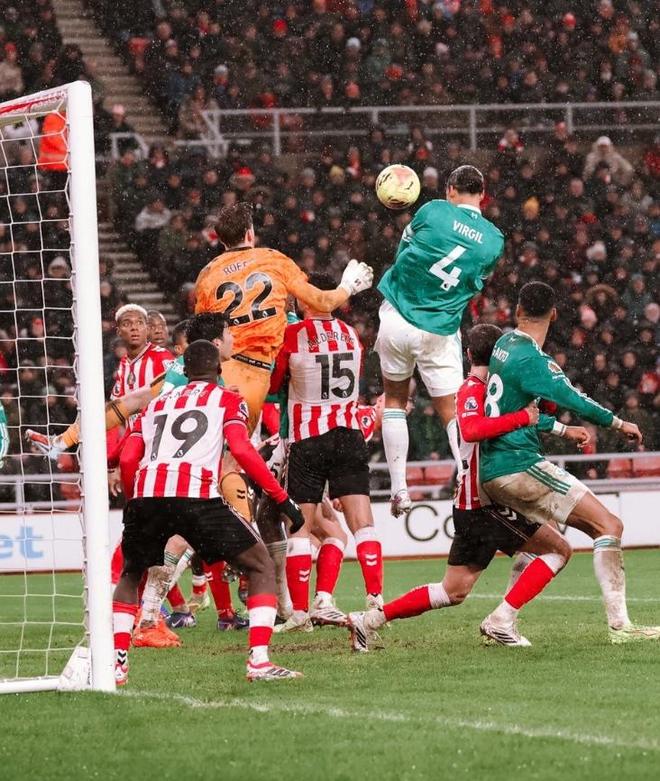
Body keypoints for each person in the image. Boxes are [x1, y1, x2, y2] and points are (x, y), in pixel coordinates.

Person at [347, 323, 581, 651]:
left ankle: (368, 620)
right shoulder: (472, 390)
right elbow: (472, 430)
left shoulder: (493, 390)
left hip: (474, 503)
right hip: (484, 503)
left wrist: (561, 429)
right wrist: (524, 419)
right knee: (558, 550)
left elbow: (529, 415)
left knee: (452, 591)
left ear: (468, 354)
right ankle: (503, 620)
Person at [112, 339, 305, 685]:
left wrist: (133, 502)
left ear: (184, 371)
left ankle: (117, 664)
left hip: (149, 493)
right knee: (260, 565)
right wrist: (281, 498)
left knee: (131, 574)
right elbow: (241, 449)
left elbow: (128, 458)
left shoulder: (156, 404)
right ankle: (259, 661)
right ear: (219, 369)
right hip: (196, 495)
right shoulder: (228, 399)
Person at [480, 282, 659, 643]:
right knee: (609, 525)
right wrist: (618, 423)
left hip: (491, 467)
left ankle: (501, 620)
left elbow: (519, 411)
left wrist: (561, 430)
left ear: (518, 310)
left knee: (544, 545)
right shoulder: (534, 360)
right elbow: (575, 399)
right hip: (518, 464)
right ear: (554, 315)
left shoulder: (503, 344)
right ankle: (621, 627)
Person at [193, 202, 373, 522]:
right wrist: (348, 286)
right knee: (234, 462)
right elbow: (320, 301)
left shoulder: (207, 275)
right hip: (257, 375)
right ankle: (239, 532)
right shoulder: (273, 259)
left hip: (220, 371)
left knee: (208, 463)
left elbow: (202, 332)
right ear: (250, 233)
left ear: (220, 239)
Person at [375, 165, 504, 517]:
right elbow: (476, 282)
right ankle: (467, 479)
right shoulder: (494, 240)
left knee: (395, 401)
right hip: (440, 328)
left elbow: (404, 252)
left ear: (449, 189)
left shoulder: (432, 211)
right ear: (482, 193)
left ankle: (399, 490)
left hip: (398, 315)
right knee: (452, 412)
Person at [269, 273, 383, 632]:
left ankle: (301, 613)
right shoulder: (351, 333)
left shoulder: (293, 334)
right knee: (362, 522)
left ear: (307, 299)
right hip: (348, 434)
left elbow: (275, 384)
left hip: (309, 437)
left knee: (300, 527)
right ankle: (376, 601)